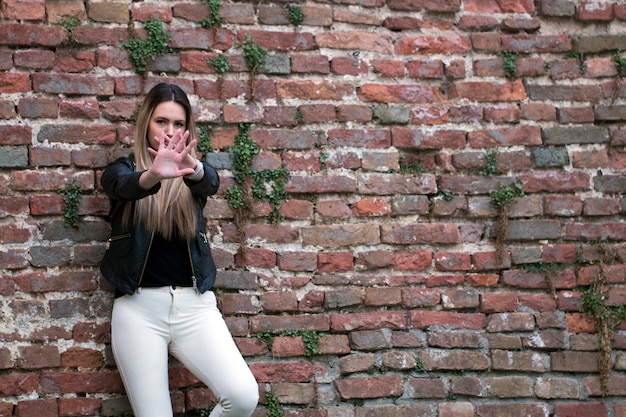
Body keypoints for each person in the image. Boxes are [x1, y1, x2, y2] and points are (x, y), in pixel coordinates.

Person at [100, 82, 259, 417]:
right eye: (161, 122)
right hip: (139, 310)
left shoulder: (192, 175)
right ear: (146, 123)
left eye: (178, 124)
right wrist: (153, 175)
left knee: (242, 396)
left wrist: (192, 167)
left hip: (195, 308)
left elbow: (210, 181)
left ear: (188, 129)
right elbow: (119, 186)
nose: (169, 131)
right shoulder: (125, 170)